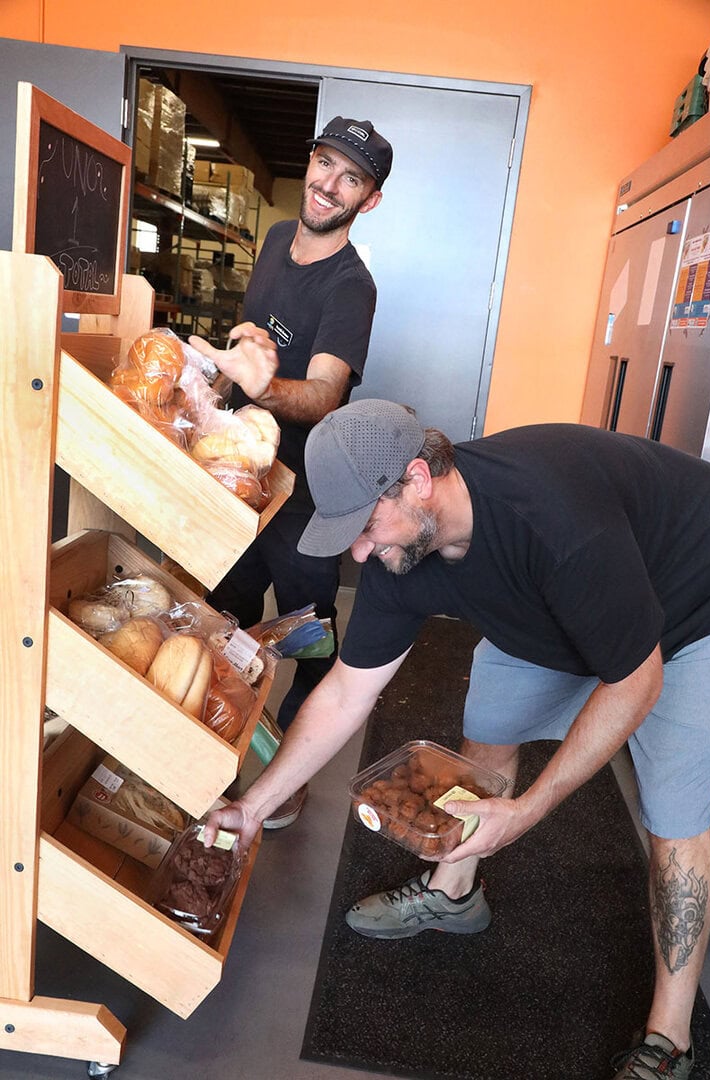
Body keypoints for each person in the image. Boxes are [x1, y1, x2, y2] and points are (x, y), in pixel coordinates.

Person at [204, 397, 710, 1078]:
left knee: (674, 818)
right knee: (488, 729)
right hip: (557, 606)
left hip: (694, 605)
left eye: (365, 526)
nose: (360, 552)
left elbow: (635, 683)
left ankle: (670, 1039)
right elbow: (347, 693)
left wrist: (526, 811)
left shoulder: (552, 520)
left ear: (418, 479)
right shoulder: (401, 552)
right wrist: (254, 806)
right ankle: (454, 892)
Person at [189, 117, 393, 828]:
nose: (329, 184)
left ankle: (287, 775)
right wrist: (223, 377)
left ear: (369, 199)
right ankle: (210, 750)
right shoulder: (276, 240)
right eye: (324, 163)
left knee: (309, 636)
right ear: (309, 162)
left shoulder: (352, 287)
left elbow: (325, 394)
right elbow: (257, 341)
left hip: (307, 495)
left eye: (351, 178)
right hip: (241, 478)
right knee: (222, 617)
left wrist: (264, 386)